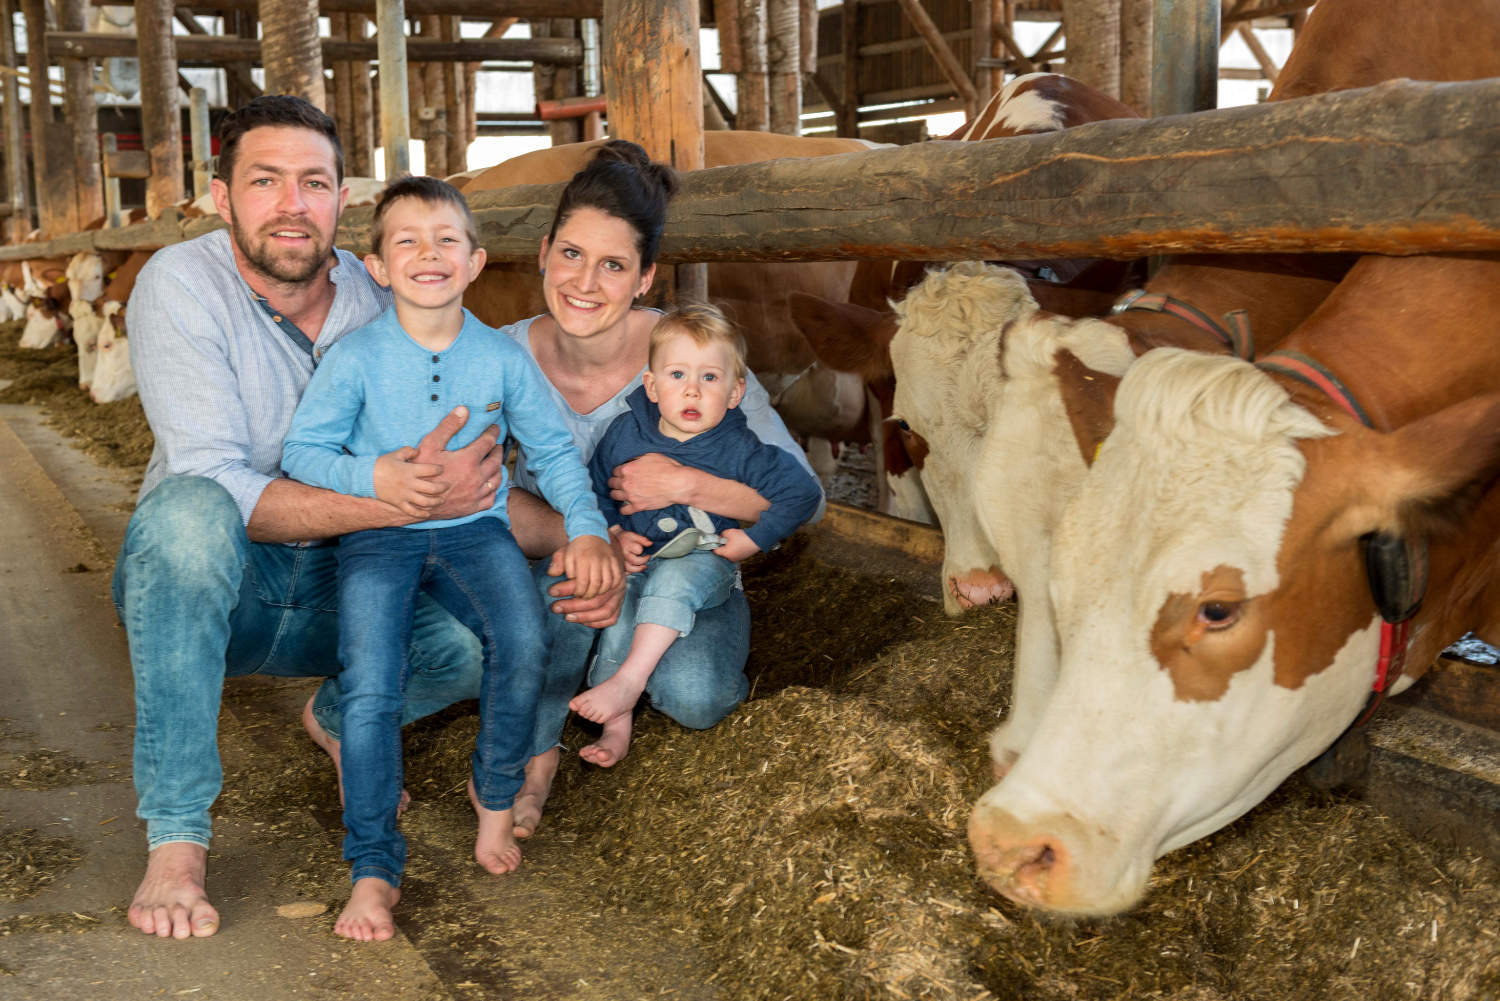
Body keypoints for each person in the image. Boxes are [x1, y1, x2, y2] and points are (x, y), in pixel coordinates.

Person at [110, 96, 607, 941]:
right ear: (223, 197)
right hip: (221, 587)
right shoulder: (181, 284)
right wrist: (393, 494)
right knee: (189, 516)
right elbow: (219, 480)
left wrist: (582, 533)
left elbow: (469, 487)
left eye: (315, 182)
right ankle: (178, 839)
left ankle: (343, 720)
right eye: (266, 181)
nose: (293, 203)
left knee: (465, 639)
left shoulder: (394, 304)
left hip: (351, 569)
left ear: (344, 201)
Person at [280, 176, 620, 940]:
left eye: (445, 241)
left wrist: (588, 527)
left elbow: (555, 449)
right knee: (373, 681)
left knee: (525, 637)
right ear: (375, 266)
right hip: (378, 534)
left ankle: (493, 795)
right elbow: (304, 451)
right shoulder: (356, 356)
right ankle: (373, 867)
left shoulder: (499, 356)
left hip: (476, 533)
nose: (427, 253)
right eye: (406, 240)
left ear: (475, 263)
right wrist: (375, 477)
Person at [492, 141, 826, 833]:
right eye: (573, 254)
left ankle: (622, 686)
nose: (585, 282)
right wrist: (586, 538)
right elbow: (472, 491)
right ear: (545, 250)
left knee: (696, 694)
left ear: (645, 278)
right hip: (552, 565)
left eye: (613, 264)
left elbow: (807, 495)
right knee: (525, 627)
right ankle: (537, 760)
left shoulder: (692, 362)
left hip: (673, 569)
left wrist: (688, 480)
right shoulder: (496, 355)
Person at [568, 303, 822, 765]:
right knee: (618, 621)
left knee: (675, 582)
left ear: (734, 392)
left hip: (705, 563)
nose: (691, 389)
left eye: (709, 378)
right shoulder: (625, 431)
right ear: (651, 384)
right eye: (677, 374)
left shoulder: (740, 448)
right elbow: (596, 486)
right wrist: (611, 533)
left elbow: (802, 494)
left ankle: (632, 680)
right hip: (638, 563)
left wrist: (753, 539)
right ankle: (616, 726)